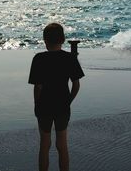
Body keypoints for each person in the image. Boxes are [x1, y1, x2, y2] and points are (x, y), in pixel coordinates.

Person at [28, 23, 85, 171]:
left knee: (45, 144)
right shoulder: (70, 58)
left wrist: (36, 104)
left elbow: (38, 87)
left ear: (45, 40)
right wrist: (68, 101)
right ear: (63, 39)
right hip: (62, 106)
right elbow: (76, 85)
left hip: (44, 105)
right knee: (62, 144)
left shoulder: (39, 59)